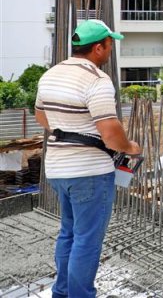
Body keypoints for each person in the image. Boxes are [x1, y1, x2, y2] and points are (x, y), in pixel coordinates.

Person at [34, 20, 141, 298]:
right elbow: (110, 132)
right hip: (89, 173)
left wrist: (70, 129)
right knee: (87, 240)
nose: (110, 50)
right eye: (109, 45)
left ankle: (62, 292)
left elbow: (41, 117)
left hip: (58, 170)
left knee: (68, 233)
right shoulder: (96, 80)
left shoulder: (50, 75)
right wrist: (129, 146)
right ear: (98, 47)